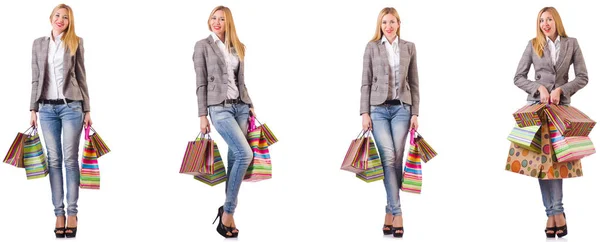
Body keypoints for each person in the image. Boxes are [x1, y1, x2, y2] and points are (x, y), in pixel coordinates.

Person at [513, 6, 588, 238]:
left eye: (549, 19)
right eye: (541, 20)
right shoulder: (532, 44)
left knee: (556, 163)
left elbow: (583, 77)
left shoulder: (571, 43)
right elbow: (518, 77)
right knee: (540, 163)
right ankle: (553, 214)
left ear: (556, 21)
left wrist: (562, 90)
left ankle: (556, 213)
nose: (545, 23)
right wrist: (540, 88)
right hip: (537, 111)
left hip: (561, 111)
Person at [29, 3, 92, 238]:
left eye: (65, 17)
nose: (61, 20)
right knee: (53, 160)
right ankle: (59, 213)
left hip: (71, 107)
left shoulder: (75, 42)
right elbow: (35, 78)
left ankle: (73, 212)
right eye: (57, 15)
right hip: (45, 109)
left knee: (70, 159)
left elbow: (81, 76)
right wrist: (32, 108)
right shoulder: (38, 44)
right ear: (50, 18)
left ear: (69, 21)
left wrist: (87, 109)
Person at [193, 5, 256, 238]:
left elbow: (241, 81)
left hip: (240, 107)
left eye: (221, 19)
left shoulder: (237, 47)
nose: (217, 22)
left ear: (228, 23)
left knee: (235, 159)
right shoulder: (202, 46)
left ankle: (226, 211)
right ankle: (228, 212)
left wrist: (250, 105)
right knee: (245, 154)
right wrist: (202, 115)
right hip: (218, 109)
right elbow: (200, 83)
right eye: (213, 18)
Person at [359, 7, 420, 238]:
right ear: (380, 25)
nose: (388, 26)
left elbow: (414, 83)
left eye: (392, 21)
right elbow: (364, 82)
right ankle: (398, 213)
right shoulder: (372, 47)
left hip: (402, 109)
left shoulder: (409, 47)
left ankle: (387, 212)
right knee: (387, 155)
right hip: (378, 110)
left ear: (399, 23)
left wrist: (416, 113)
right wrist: (364, 112)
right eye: (384, 22)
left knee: (396, 159)